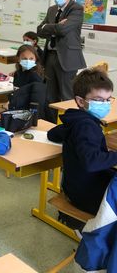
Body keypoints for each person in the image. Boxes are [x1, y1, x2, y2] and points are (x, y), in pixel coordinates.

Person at [48, 68, 117, 216]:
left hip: (74, 187)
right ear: (80, 101)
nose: (105, 104)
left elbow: (52, 134)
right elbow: (92, 162)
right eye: (99, 100)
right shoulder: (86, 126)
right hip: (86, 195)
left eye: (108, 99)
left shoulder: (75, 119)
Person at [37, 0, 86, 122]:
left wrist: (49, 27)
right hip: (50, 56)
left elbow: (64, 30)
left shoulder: (76, 9)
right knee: (50, 96)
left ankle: (68, 127)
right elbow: (39, 31)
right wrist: (56, 26)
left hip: (67, 58)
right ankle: (51, 126)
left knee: (67, 96)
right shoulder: (52, 9)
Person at [0, 44, 45, 125]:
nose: (28, 61)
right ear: (18, 59)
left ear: (36, 59)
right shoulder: (18, 74)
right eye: (24, 58)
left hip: (24, 115)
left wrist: (6, 115)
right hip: (14, 109)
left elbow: (33, 108)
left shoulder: (35, 77)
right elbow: (15, 95)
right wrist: (4, 109)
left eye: (31, 58)